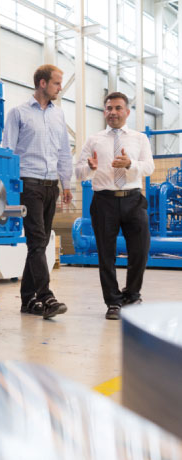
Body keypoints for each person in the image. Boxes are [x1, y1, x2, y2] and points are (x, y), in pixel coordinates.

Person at [2, 64, 73, 320]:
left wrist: (66, 183)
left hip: (51, 186)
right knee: (36, 241)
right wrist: (9, 189)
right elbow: (8, 151)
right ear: (42, 83)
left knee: (40, 244)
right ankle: (46, 296)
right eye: (56, 83)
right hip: (28, 185)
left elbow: (64, 151)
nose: (60, 88)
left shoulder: (58, 115)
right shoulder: (18, 113)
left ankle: (27, 300)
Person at [75, 92, 154, 320]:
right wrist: (89, 168)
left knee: (140, 251)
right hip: (104, 201)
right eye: (109, 108)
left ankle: (132, 295)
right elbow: (78, 172)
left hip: (133, 199)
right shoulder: (94, 140)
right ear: (104, 112)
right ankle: (113, 302)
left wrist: (130, 164)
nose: (113, 112)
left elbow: (149, 167)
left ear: (127, 112)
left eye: (118, 108)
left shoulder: (140, 139)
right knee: (106, 255)